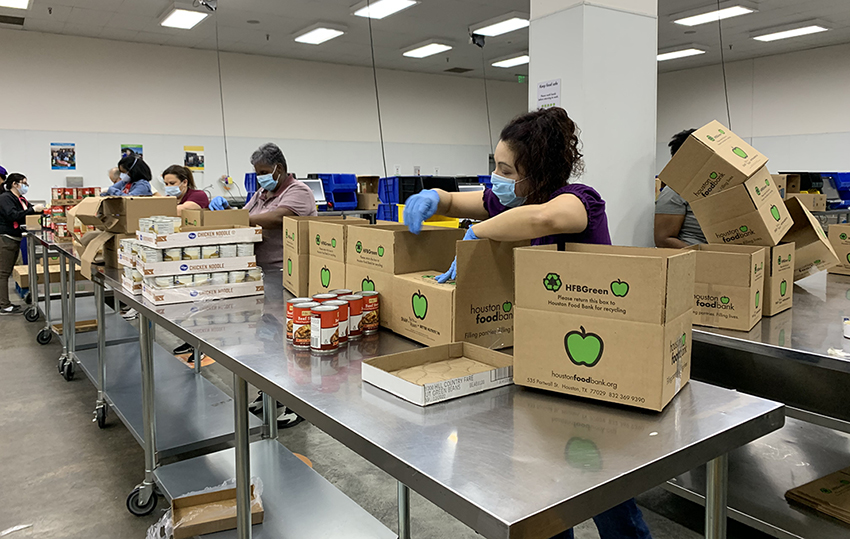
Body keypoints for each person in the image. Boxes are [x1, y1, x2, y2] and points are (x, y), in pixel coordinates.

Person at [403, 107, 652, 539]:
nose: (494, 178)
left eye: (504, 169)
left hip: (592, 366)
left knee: (601, 484)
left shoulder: (579, 200)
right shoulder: (511, 197)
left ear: (533, 171)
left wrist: (479, 233)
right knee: (542, 488)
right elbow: (463, 201)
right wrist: (434, 199)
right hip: (538, 360)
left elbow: (545, 219)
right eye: (493, 165)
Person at [210, 143, 316, 272]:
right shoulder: (262, 192)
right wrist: (227, 209)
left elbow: (279, 218)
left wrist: (236, 220)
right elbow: (245, 215)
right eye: (258, 173)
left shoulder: (298, 191)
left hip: (284, 269)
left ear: (279, 169)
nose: (260, 178)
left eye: (264, 172)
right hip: (258, 268)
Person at [0, 173, 45, 315]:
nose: (26, 186)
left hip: (15, 238)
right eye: (23, 183)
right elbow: (13, 215)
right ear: (14, 184)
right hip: (6, 238)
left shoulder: (20, 198)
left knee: (6, 271)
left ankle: (4, 303)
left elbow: (27, 211)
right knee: (3, 273)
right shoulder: (5, 198)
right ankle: (4, 305)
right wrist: (32, 210)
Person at [654, 129, 706, 248]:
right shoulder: (674, 192)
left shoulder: (718, 187)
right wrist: (704, 257)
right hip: (697, 260)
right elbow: (663, 240)